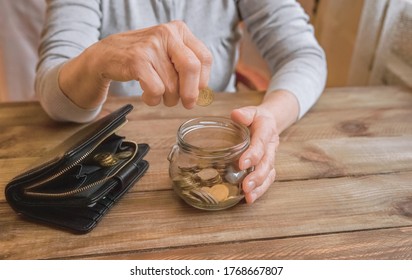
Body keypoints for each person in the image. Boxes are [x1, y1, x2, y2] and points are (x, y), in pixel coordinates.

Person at [35, 0, 327, 204]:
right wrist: (97, 59)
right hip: (117, 164)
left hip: (224, 142)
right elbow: (53, 97)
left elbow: (303, 55)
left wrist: (271, 117)